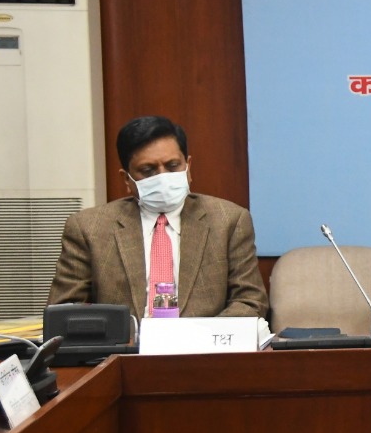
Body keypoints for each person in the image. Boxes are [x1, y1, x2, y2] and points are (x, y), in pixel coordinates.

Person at [48, 115, 269, 319]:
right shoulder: (89, 228)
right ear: (126, 179)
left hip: (201, 345)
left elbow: (250, 301)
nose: (163, 177)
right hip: (127, 346)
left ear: (188, 167)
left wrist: (202, 337)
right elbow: (65, 311)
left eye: (173, 166)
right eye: (148, 170)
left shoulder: (229, 220)